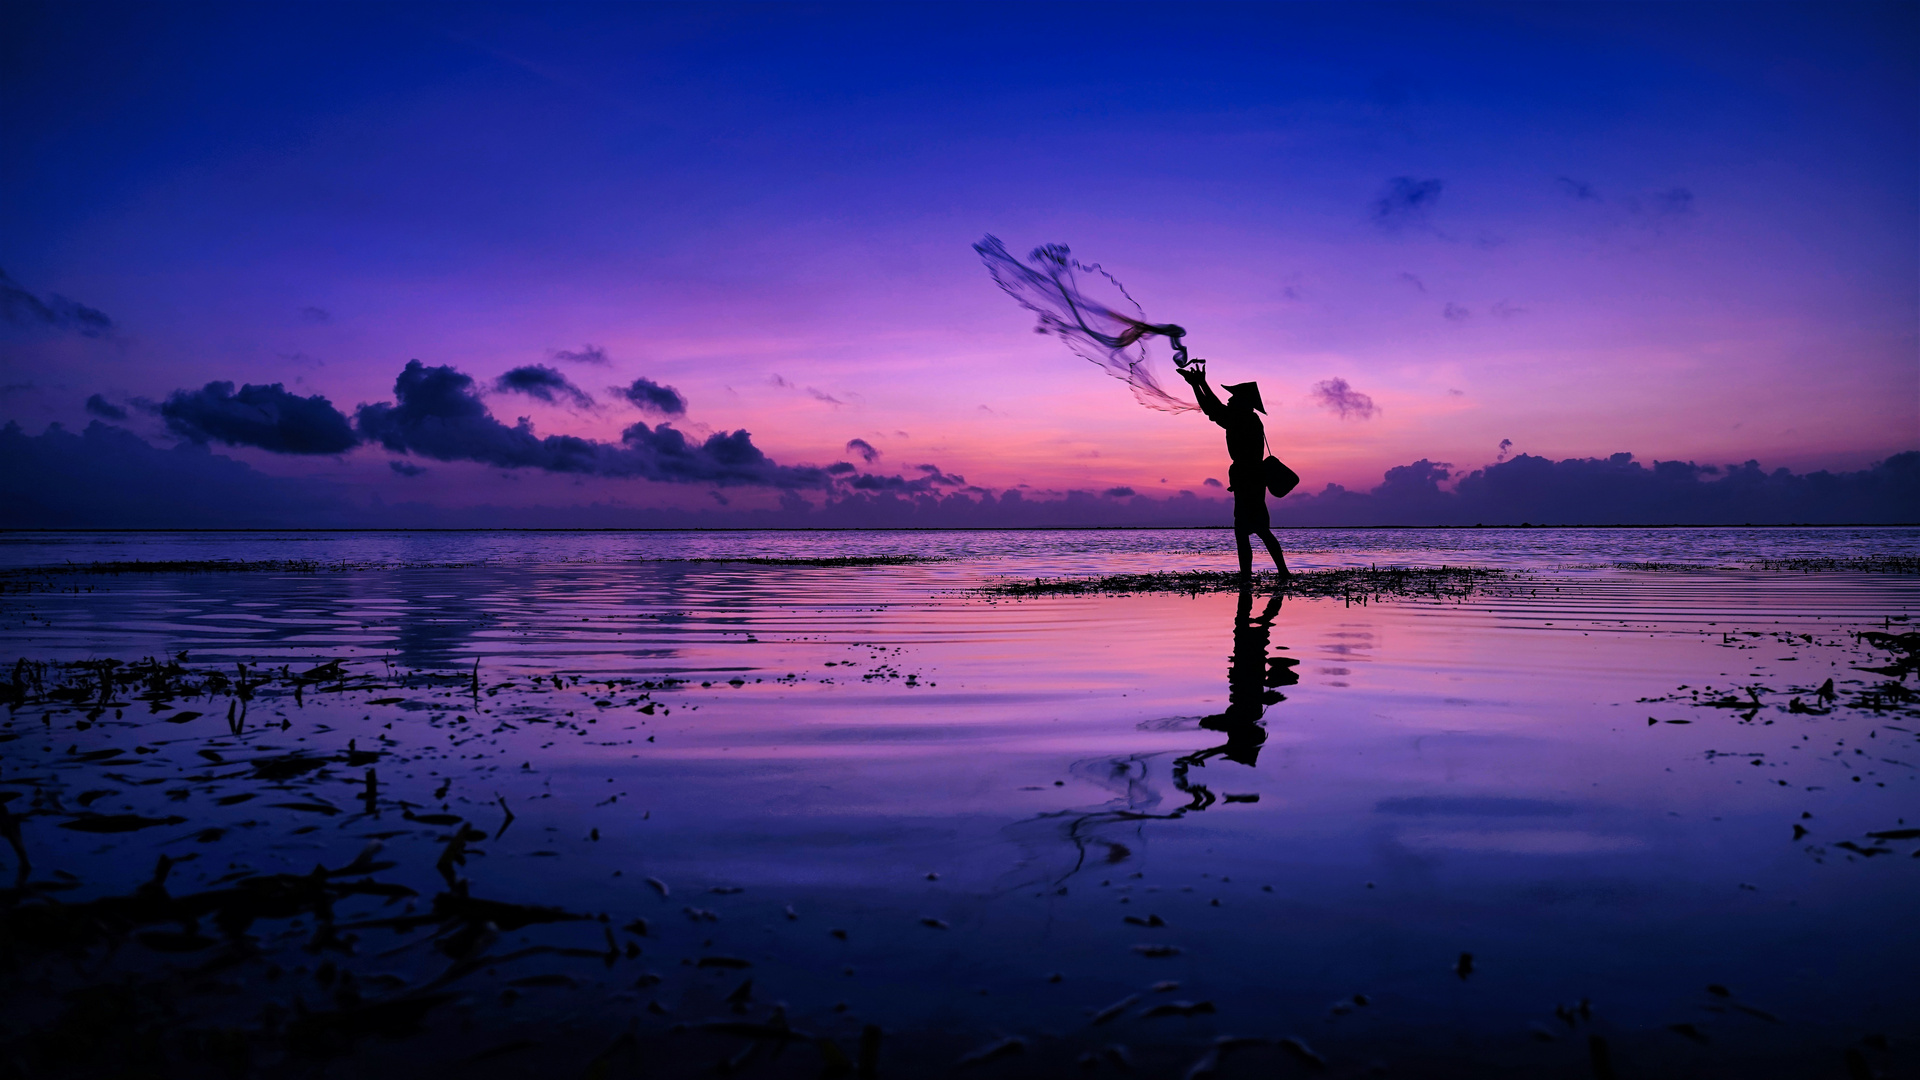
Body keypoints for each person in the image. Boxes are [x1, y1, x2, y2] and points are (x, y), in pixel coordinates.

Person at [1176, 343, 1289, 577]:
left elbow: (1213, 410)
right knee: (1254, 529)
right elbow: (1214, 409)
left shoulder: (1245, 419)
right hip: (1249, 479)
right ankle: (1272, 573)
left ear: (1244, 402)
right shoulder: (1247, 418)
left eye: (1233, 397)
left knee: (1251, 529)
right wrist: (1199, 384)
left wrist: (1199, 384)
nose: (1229, 399)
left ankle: (1265, 574)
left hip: (1249, 479)